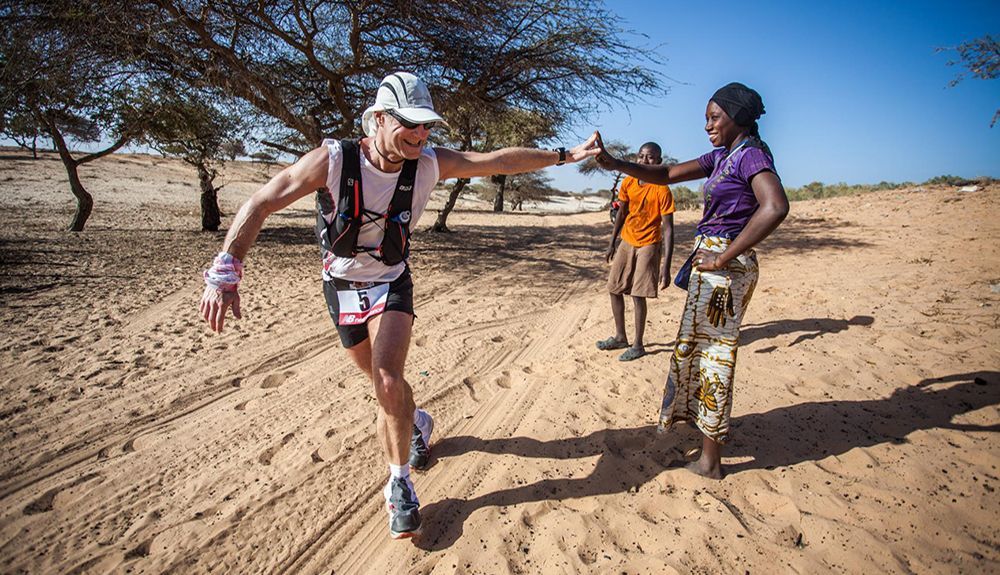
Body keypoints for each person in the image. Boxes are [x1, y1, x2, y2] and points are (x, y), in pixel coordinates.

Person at [199, 72, 599, 538]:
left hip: (392, 282)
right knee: (382, 383)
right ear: (379, 119)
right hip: (342, 286)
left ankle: (400, 486)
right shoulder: (332, 160)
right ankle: (418, 421)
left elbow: (496, 161)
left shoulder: (428, 164)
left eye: (427, 125)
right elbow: (262, 201)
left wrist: (565, 155)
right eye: (411, 124)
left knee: (387, 381)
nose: (422, 135)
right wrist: (227, 267)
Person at [594, 82, 789, 479]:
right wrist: (615, 163)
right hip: (714, 269)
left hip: (724, 273)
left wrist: (724, 255)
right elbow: (664, 173)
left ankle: (710, 462)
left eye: (714, 117)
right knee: (699, 355)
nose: (707, 126)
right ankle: (708, 442)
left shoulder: (749, 156)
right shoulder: (723, 156)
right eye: (706, 119)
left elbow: (775, 207)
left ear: (738, 118)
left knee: (714, 359)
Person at [596, 142, 675, 361]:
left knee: (638, 294)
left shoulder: (662, 189)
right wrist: (612, 242)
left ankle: (638, 345)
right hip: (627, 240)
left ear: (658, 162)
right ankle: (621, 336)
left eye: (650, 158)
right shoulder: (629, 182)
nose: (644, 161)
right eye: (641, 157)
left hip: (649, 243)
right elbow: (621, 214)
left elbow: (668, 228)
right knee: (614, 288)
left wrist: (666, 267)